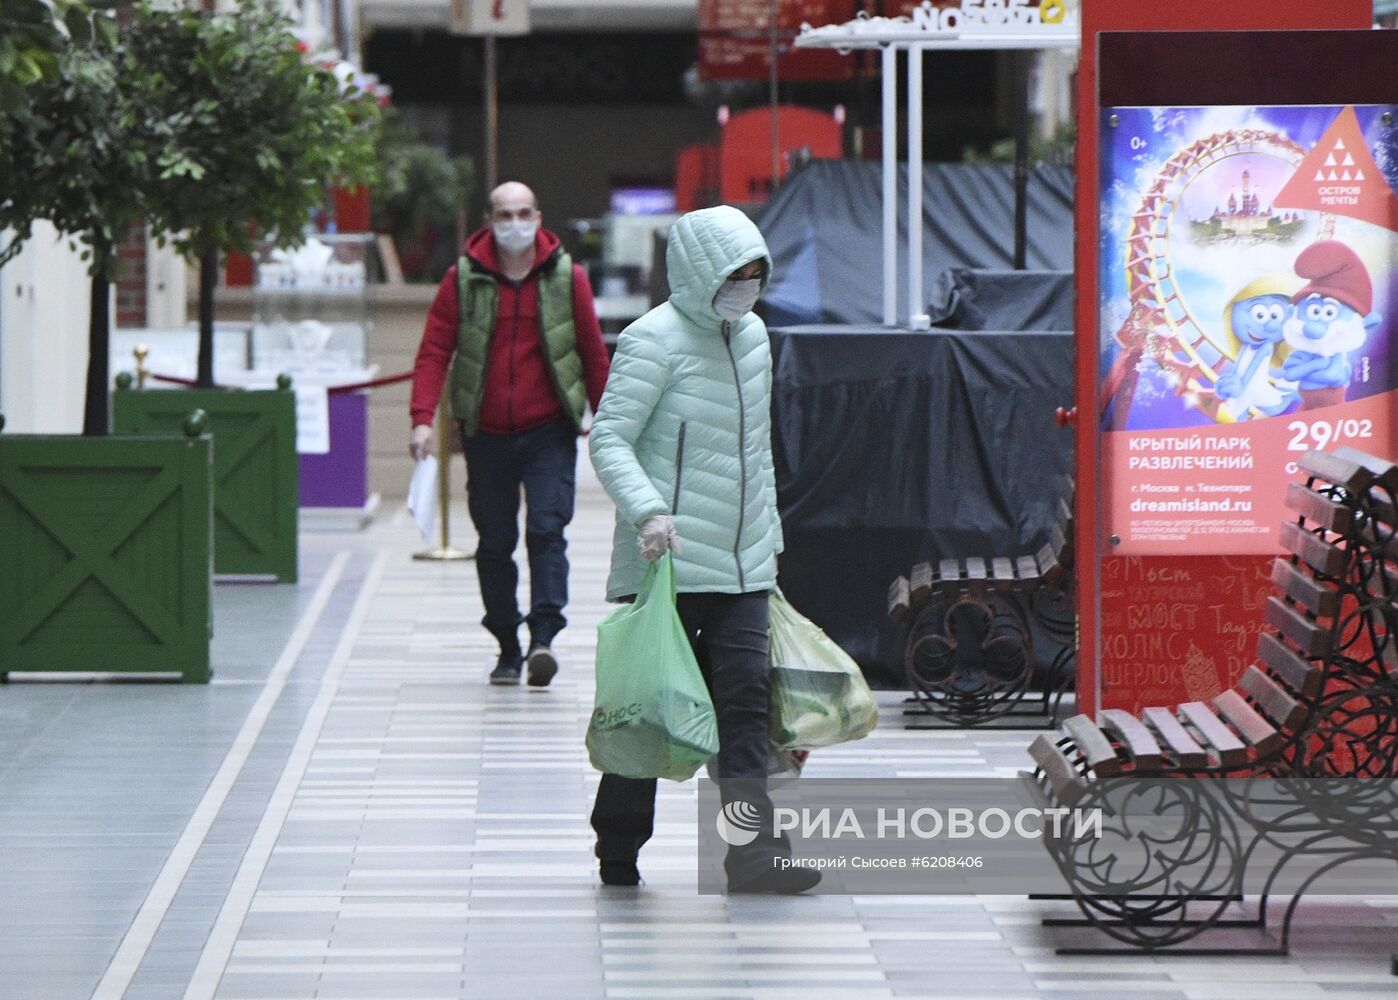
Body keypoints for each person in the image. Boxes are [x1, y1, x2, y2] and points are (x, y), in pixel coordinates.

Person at [587, 205, 819, 894]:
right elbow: (609, 439)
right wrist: (648, 510)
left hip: (742, 566)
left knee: (745, 714)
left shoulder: (754, 339)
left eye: (754, 273)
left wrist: (767, 547)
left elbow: (756, 456)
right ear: (696, 271)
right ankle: (618, 847)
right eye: (732, 273)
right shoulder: (651, 340)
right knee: (652, 708)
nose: (744, 285)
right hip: (667, 562)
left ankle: (752, 857)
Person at [409, 181, 609, 687]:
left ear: (538, 217)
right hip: (487, 434)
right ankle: (507, 645)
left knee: (546, 530)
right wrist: (420, 417)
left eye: (523, 213)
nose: (514, 223)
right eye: (504, 214)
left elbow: (591, 353)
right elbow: (435, 350)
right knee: (494, 544)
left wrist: (610, 422)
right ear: (489, 219)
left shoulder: (568, 278)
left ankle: (544, 635)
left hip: (549, 431)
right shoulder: (463, 280)